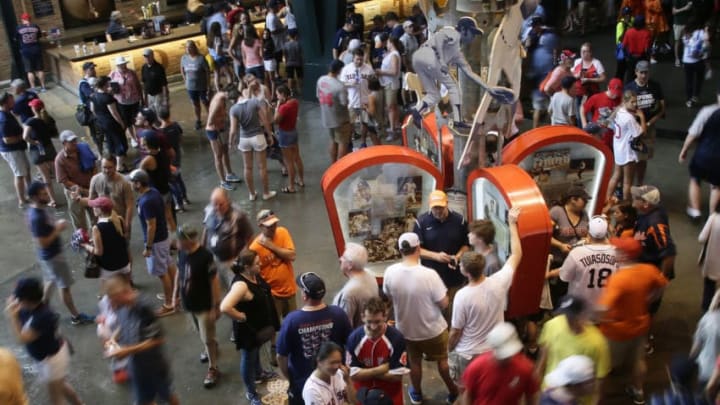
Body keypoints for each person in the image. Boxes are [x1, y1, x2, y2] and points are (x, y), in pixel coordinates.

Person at [449, 208, 522, 387]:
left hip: (468, 353)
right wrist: (512, 224)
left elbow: (455, 332)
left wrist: (449, 350)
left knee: (466, 392)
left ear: (466, 272)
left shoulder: (462, 296)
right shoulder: (499, 281)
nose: (468, 235)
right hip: (492, 350)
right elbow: (517, 254)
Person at [383, 232, 458, 404]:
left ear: (400, 250)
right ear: (418, 249)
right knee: (443, 361)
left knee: (414, 363)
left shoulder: (390, 272)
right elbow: (444, 303)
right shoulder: (429, 274)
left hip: (406, 331)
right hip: (434, 330)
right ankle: (453, 391)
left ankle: (416, 393)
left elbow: (388, 296)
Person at [597, 237, 668, 404]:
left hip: (616, 331)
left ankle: (597, 398)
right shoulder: (648, 270)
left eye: (617, 249)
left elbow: (603, 308)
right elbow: (663, 284)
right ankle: (638, 391)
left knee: (603, 367)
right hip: (641, 325)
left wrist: (599, 319)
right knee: (639, 361)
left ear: (623, 255)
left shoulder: (618, 279)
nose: (614, 251)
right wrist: (649, 299)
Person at [276, 272, 352, 405]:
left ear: (304, 295)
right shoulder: (338, 314)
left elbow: (281, 356)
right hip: (334, 378)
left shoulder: (292, 320)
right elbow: (351, 345)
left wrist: (290, 379)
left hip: (301, 381)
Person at [103, 274, 180, 405]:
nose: (113, 305)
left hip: (153, 366)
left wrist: (127, 350)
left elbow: (157, 340)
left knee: (166, 394)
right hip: (136, 366)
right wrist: (113, 338)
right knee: (144, 399)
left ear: (125, 292)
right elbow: (123, 324)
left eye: (115, 300)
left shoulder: (144, 308)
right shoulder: (121, 306)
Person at [4, 278, 83, 405]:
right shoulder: (26, 309)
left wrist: (12, 317)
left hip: (53, 361)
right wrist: (15, 315)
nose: (14, 299)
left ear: (26, 300)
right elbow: (18, 331)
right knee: (61, 385)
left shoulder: (43, 316)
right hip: (46, 358)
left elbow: (22, 338)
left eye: (17, 297)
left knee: (56, 398)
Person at [26, 181, 94, 325]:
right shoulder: (37, 217)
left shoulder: (36, 210)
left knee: (50, 280)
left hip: (47, 257)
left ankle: (41, 310)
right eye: (43, 194)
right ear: (34, 197)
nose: (48, 196)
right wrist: (58, 228)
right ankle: (76, 316)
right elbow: (42, 242)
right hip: (53, 256)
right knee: (64, 287)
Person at [220, 248, 280, 405]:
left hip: (258, 326)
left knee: (255, 351)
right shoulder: (241, 285)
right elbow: (225, 307)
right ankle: (251, 392)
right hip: (249, 330)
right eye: (257, 264)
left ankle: (259, 373)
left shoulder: (253, 275)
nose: (260, 265)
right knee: (248, 357)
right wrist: (239, 316)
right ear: (246, 266)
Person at [536, 295, 611, 405]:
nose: (568, 319)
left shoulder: (598, 342)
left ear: (582, 315)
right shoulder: (552, 325)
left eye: (572, 316)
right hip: (551, 393)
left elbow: (600, 382)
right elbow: (542, 360)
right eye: (565, 314)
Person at [412, 190, 470, 322]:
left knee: (453, 312)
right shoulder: (421, 222)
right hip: (431, 277)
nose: (438, 211)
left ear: (447, 204)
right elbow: (417, 250)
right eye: (435, 208)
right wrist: (436, 256)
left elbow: (466, 244)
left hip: (454, 277)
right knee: (433, 313)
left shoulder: (459, 221)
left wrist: (458, 257)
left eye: (441, 207)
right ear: (430, 206)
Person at [176, 224, 221, 388]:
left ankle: (213, 368)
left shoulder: (205, 256)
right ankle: (211, 347)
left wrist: (215, 306)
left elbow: (214, 282)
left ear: (189, 241)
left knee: (207, 338)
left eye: (180, 240)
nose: (177, 243)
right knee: (202, 334)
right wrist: (175, 295)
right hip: (189, 304)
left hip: (203, 306)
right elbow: (179, 275)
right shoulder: (181, 252)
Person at [128, 169, 177, 317]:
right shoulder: (153, 192)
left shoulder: (146, 201)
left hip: (156, 241)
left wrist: (148, 247)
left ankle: (169, 304)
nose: (130, 184)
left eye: (132, 182)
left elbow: (151, 225)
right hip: (163, 237)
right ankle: (175, 294)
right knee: (168, 265)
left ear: (138, 184)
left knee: (162, 273)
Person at [346, 297, 408, 404]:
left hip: (390, 393)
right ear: (362, 317)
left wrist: (365, 371)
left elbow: (397, 376)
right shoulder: (354, 339)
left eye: (377, 322)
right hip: (363, 395)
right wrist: (382, 369)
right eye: (369, 322)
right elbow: (353, 376)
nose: (373, 327)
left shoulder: (397, 339)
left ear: (385, 317)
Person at [461, 322, 539, 404]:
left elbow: (531, 397)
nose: (506, 357)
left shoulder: (525, 368)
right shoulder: (476, 367)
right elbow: (467, 395)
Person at [552, 216, 617, 310]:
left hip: (578, 308)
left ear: (588, 233)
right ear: (606, 233)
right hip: (604, 307)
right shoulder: (616, 253)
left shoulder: (578, 252)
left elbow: (565, 277)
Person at [229, 79, 277, 201]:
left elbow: (233, 130)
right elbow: (265, 119)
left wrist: (231, 142)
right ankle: (266, 193)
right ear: (241, 94)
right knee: (262, 167)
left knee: (247, 168)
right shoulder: (254, 102)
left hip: (244, 138)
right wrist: (270, 134)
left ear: (232, 100)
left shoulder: (233, 109)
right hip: (258, 136)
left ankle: (252, 193)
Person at [249, 209, 297, 322]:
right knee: (272, 324)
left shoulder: (282, 232)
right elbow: (253, 274)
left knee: (292, 322)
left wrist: (271, 246)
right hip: (272, 295)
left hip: (289, 289)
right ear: (260, 225)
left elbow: (292, 256)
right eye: (269, 226)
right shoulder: (254, 248)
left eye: (275, 223)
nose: (273, 227)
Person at [679, 91, 720, 219]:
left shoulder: (708, 111)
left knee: (695, 179)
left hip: (703, 154)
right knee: (717, 185)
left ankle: (695, 210)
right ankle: (713, 215)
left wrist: (684, 150)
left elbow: (693, 133)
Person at [202, 187, 254, 287]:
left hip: (233, 260)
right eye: (215, 204)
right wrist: (202, 250)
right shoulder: (209, 210)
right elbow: (206, 229)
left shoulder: (238, 215)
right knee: (220, 285)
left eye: (221, 204)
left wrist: (245, 259)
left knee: (235, 286)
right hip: (215, 259)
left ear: (228, 201)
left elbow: (250, 236)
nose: (217, 208)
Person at [624, 60, 665, 185]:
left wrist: (648, 123)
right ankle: (627, 185)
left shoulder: (655, 86)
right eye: (641, 72)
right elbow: (624, 107)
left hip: (648, 128)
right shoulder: (629, 87)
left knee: (643, 158)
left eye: (646, 73)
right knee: (630, 158)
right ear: (636, 72)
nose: (644, 75)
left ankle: (639, 184)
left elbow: (661, 108)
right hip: (632, 129)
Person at [548, 186, 591, 304]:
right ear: (573, 199)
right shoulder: (557, 212)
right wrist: (560, 245)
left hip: (575, 261)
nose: (586, 203)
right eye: (584, 200)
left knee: (566, 290)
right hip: (558, 260)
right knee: (554, 291)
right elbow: (546, 235)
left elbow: (586, 233)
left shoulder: (584, 214)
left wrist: (586, 240)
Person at [80, 197, 131, 281]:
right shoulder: (120, 219)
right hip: (124, 263)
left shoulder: (97, 228)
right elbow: (122, 237)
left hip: (109, 267)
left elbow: (98, 252)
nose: (93, 209)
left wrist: (86, 246)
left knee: (109, 292)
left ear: (100, 210)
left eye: (94, 207)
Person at [607, 91, 645, 201]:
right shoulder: (629, 118)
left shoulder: (618, 111)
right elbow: (640, 133)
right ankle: (626, 205)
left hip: (618, 149)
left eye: (636, 102)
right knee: (627, 182)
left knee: (616, 175)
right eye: (632, 102)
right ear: (625, 101)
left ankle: (608, 198)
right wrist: (642, 117)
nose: (635, 105)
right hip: (627, 152)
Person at [55, 130, 96, 232]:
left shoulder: (83, 149)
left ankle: (97, 234)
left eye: (75, 140)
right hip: (74, 191)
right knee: (79, 218)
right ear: (64, 143)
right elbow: (64, 180)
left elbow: (94, 165)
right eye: (71, 141)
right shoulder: (60, 160)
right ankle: (83, 238)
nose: (74, 143)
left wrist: (93, 183)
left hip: (89, 187)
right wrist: (80, 190)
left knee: (95, 213)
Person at [340, 48, 380, 149]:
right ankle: (349, 144)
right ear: (353, 58)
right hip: (352, 102)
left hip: (365, 101)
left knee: (365, 123)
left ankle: (363, 142)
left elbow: (373, 84)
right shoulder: (346, 69)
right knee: (350, 124)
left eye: (361, 59)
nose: (359, 61)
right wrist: (350, 83)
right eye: (357, 59)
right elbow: (341, 84)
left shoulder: (368, 69)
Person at [87, 156, 134, 240]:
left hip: (120, 221)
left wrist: (127, 225)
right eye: (104, 167)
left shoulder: (124, 182)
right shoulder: (95, 180)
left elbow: (129, 206)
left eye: (110, 167)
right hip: (103, 222)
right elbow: (91, 201)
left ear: (116, 166)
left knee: (124, 246)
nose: (107, 170)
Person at [333, 242, 379, 328]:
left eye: (343, 257)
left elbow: (345, 325)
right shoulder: (370, 274)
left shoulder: (350, 292)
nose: (340, 259)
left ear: (350, 265)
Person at [22, 98, 58, 207]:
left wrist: (33, 142)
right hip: (49, 149)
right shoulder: (48, 119)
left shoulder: (30, 121)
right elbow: (55, 134)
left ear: (33, 108)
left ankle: (52, 200)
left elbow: (25, 137)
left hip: (37, 151)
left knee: (46, 178)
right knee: (58, 175)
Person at [525, 16, 560, 128]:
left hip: (548, 74)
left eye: (536, 26)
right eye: (533, 26)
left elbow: (556, 49)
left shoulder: (549, 35)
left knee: (550, 105)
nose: (534, 28)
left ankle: (550, 128)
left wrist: (555, 63)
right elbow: (527, 51)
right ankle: (535, 128)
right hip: (537, 74)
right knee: (538, 106)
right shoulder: (532, 35)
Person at [0, 91, 31, 208]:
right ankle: (22, 200)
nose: (14, 101)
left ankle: (30, 193)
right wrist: (22, 136)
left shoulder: (7, 113)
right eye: (11, 100)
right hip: (11, 150)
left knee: (25, 170)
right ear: (5, 103)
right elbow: (7, 140)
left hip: (16, 148)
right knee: (19, 174)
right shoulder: (3, 119)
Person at [205, 89, 240, 191]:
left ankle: (229, 174)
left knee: (225, 151)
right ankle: (223, 181)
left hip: (221, 128)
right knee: (218, 155)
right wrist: (218, 132)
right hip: (214, 131)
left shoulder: (222, 96)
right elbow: (210, 121)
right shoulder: (218, 103)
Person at [317, 59, 351, 162]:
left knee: (333, 140)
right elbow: (344, 103)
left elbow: (318, 96)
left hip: (327, 118)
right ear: (340, 70)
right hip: (340, 120)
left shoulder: (321, 80)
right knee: (342, 142)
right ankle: (340, 168)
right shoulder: (340, 86)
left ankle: (333, 165)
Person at [91, 76, 128, 171]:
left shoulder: (94, 96)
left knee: (110, 141)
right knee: (120, 143)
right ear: (104, 85)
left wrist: (100, 117)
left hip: (103, 123)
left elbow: (93, 110)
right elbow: (114, 113)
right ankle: (120, 166)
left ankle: (112, 161)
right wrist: (121, 123)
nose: (109, 85)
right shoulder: (107, 98)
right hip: (112, 123)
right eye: (107, 84)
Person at [274, 85, 305, 193]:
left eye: (277, 94)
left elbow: (276, 120)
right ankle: (301, 180)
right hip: (293, 131)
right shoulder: (295, 102)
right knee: (297, 158)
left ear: (283, 94)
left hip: (284, 134)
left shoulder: (283, 108)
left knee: (289, 162)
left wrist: (277, 107)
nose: (276, 96)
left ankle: (291, 186)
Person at [158, 107, 190, 212]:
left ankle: (179, 204)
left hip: (168, 160)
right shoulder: (176, 125)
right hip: (177, 156)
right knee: (179, 178)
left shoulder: (161, 132)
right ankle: (185, 198)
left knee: (173, 182)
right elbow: (181, 137)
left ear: (159, 117)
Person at [109, 56, 143, 148]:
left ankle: (138, 136)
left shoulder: (131, 72)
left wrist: (141, 97)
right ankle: (133, 138)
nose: (123, 66)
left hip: (134, 100)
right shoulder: (113, 74)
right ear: (117, 65)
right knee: (127, 122)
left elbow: (137, 84)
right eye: (121, 65)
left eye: (124, 64)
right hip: (122, 102)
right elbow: (109, 87)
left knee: (136, 119)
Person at [580, 78, 623, 149]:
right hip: (598, 137)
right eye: (613, 92)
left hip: (613, 137)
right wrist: (584, 125)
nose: (615, 95)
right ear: (608, 87)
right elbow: (583, 109)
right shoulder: (597, 97)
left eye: (617, 93)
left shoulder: (621, 99)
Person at [181, 40, 211, 130]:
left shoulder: (201, 58)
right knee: (195, 104)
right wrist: (185, 80)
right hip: (191, 87)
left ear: (194, 48)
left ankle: (211, 118)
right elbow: (182, 69)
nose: (188, 49)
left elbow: (207, 72)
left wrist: (208, 85)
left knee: (205, 102)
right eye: (186, 47)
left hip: (202, 86)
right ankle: (198, 120)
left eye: (190, 47)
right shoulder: (184, 58)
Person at [376, 37, 402, 139]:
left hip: (391, 84)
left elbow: (394, 71)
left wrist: (381, 72)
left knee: (390, 107)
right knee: (393, 106)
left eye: (387, 43)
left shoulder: (394, 55)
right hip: (389, 83)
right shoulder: (392, 54)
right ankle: (395, 125)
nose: (386, 45)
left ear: (391, 43)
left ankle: (392, 130)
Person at [572, 43, 607, 113]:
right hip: (579, 93)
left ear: (590, 52)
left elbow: (603, 78)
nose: (583, 53)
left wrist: (589, 80)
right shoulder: (577, 61)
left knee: (591, 111)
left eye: (585, 51)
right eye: (582, 51)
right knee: (579, 113)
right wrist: (576, 76)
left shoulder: (596, 63)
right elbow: (571, 75)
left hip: (592, 93)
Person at [16, 13, 46, 92]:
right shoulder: (35, 26)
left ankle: (34, 88)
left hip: (26, 51)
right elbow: (39, 36)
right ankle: (43, 87)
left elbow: (16, 38)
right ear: (30, 19)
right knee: (40, 69)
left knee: (29, 71)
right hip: (36, 50)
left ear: (22, 20)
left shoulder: (19, 28)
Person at [682, 19, 707, 108]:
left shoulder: (685, 33)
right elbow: (706, 42)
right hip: (698, 61)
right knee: (699, 79)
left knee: (689, 81)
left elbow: (685, 44)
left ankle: (689, 100)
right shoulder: (700, 32)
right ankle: (695, 95)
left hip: (687, 61)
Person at [78, 61, 102, 151]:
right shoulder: (84, 84)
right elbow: (92, 95)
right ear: (85, 71)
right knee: (96, 133)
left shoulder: (95, 79)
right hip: (91, 113)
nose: (94, 70)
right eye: (91, 69)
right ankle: (99, 151)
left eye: (94, 68)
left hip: (99, 110)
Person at [622, 16, 652, 83]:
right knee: (642, 77)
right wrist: (648, 59)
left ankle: (628, 91)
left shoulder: (628, 32)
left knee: (630, 76)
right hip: (642, 57)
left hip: (631, 58)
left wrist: (626, 57)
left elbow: (623, 46)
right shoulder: (647, 33)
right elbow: (647, 49)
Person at [141, 49, 169, 113]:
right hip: (149, 95)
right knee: (152, 114)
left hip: (158, 94)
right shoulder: (144, 67)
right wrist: (144, 97)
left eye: (148, 56)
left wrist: (165, 99)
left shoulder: (159, 67)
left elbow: (164, 84)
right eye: (145, 57)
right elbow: (144, 82)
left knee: (159, 113)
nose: (146, 58)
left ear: (152, 56)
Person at [672, 0, 694, 67]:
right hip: (678, 23)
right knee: (677, 41)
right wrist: (685, 8)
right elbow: (674, 12)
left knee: (686, 41)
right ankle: (677, 59)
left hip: (686, 23)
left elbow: (690, 7)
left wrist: (688, 7)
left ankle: (685, 58)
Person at [283, 30, 303, 96]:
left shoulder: (286, 44)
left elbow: (285, 55)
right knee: (299, 76)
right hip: (298, 62)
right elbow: (300, 54)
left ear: (289, 36)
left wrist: (286, 62)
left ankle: (291, 91)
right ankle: (300, 89)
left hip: (289, 62)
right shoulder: (298, 44)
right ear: (295, 36)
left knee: (290, 77)